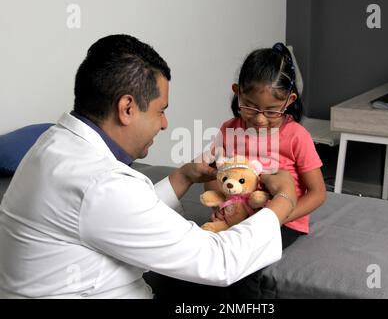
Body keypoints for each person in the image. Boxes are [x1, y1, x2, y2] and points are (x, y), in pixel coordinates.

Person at [0, 35, 298, 299]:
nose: (165, 124)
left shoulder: (51, 144)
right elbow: (217, 262)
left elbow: (120, 215)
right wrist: (282, 200)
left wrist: (183, 175)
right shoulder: (102, 184)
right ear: (127, 108)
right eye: (160, 111)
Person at [205, 42, 327, 297]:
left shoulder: (296, 136)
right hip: (238, 212)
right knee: (206, 255)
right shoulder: (229, 129)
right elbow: (213, 175)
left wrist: (277, 217)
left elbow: (317, 193)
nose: (259, 119)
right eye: (249, 106)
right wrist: (220, 207)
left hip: (284, 219)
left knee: (243, 266)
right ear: (237, 93)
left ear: (289, 101)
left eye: (271, 111)